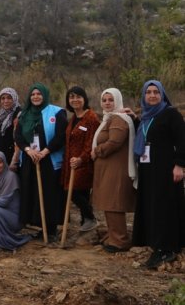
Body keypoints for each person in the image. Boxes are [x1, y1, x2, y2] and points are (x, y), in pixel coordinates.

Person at [132, 80, 185, 269]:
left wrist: (180, 165)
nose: (152, 95)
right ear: (144, 96)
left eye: (156, 92)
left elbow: (182, 140)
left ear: (162, 95)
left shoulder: (170, 114)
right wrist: (133, 117)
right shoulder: (146, 116)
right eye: (149, 92)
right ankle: (156, 242)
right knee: (152, 205)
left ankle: (167, 248)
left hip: (166, 169)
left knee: (165, 206)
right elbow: (147, 134)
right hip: (148, 169)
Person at [14, 83, 67, 241]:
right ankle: (39, 226)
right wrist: (28, 150)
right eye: (33, 94)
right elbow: (18, 136)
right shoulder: (24, 114)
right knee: (33, 193)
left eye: (39, 94)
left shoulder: (57, 112)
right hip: (31, 159)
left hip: (49, 160)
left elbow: (61, 136)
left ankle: (51, 230)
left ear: (44, 95)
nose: (35, 97)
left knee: (49, 194)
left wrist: (45, 151)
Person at [91, 88, 137, 253]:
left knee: (113, 204)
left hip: (116, 170)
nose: (107, 103)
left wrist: (96, 151)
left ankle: (120, 241)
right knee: (109, 203)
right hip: (109, 169)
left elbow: (114, 143)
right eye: (104, 100)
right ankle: (113, 236)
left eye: (111, 100)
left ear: (117, 100)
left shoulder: (118, 119)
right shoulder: (109, 118)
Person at [61, 86, 100, 232]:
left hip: (84, 163)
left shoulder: (91, 118)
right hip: (70, 163)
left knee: (73, 191)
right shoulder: (73, 118)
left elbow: (92, 143)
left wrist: (81, 159)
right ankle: (86, 222)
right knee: (80, 193)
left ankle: (90, 217)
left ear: (84, 99)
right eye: (71, 97)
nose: (75, 100)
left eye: (78, 97)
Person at [0, 88, 21, 171]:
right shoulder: (0, 114)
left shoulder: (19, 114)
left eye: (9, 98)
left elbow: (18, 140)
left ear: (14, 98)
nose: (6, 101)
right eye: (3, 98)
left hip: (11, 157)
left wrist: (14, 161)